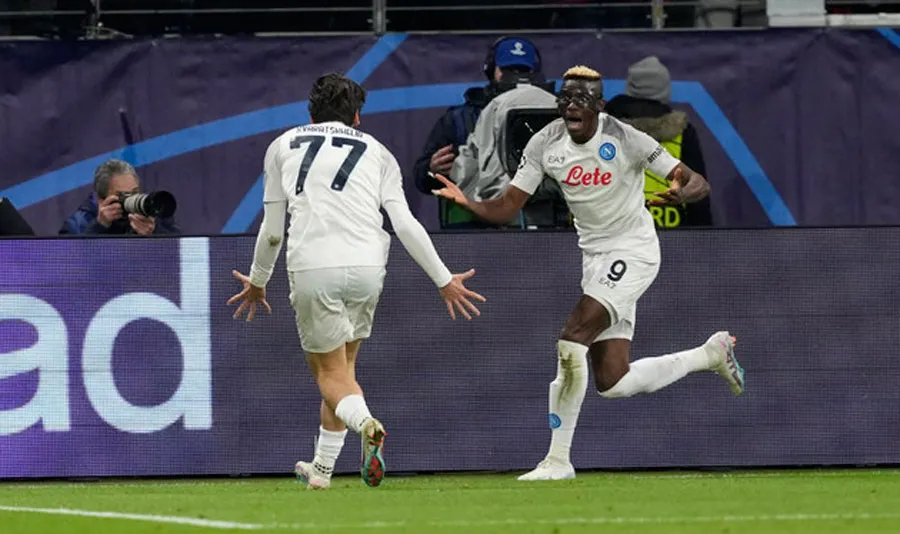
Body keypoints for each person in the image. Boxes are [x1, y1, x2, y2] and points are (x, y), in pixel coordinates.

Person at [432, 65, 745, 481]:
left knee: (571, 337)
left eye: (582, 99)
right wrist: (469, 202)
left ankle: (557, 461)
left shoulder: (626, 138)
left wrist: (681, 192)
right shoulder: (544, 142)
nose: (570, 105)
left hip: (634, 251)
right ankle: (710, 354)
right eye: (565, 97)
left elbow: (696, 181)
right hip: (595, 259)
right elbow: (508, 207)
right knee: (613, 381)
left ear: (599, 106)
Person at [228, 73, 485, 490]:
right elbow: (404, 223)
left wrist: (258, 281)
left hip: (314, 263)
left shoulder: (282, 146)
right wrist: (443, 279)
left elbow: (273, 230)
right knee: (344, 370)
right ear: (358, 116)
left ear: (310, 112)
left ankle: (367, 424)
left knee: (328, 373)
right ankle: (322, 471)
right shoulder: (380, 153)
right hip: (368, 266)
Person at [412, 36, 548, 228]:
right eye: (507, 70)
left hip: (541, 228)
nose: (515, 76)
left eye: (523, 70)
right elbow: (421, 177)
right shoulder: (459, 118)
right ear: (491, 71)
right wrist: (432, 170)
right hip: (472, 232)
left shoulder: (555, 113)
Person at [605, 56, 713, 228]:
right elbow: (697, 194)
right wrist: (703, 239)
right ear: (665, 90)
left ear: (630, 87)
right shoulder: (682, 131)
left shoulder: (606, 128)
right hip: (672, 232)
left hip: (616, 228)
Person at [59, 159, 180, 236]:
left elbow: (183, 256)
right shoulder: (78, 224)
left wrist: (155, 233)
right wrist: (100, 227)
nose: (131, 200)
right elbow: (69, 266)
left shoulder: (153, 212)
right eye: (122, 196)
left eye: (135, 192)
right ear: (101, 200)